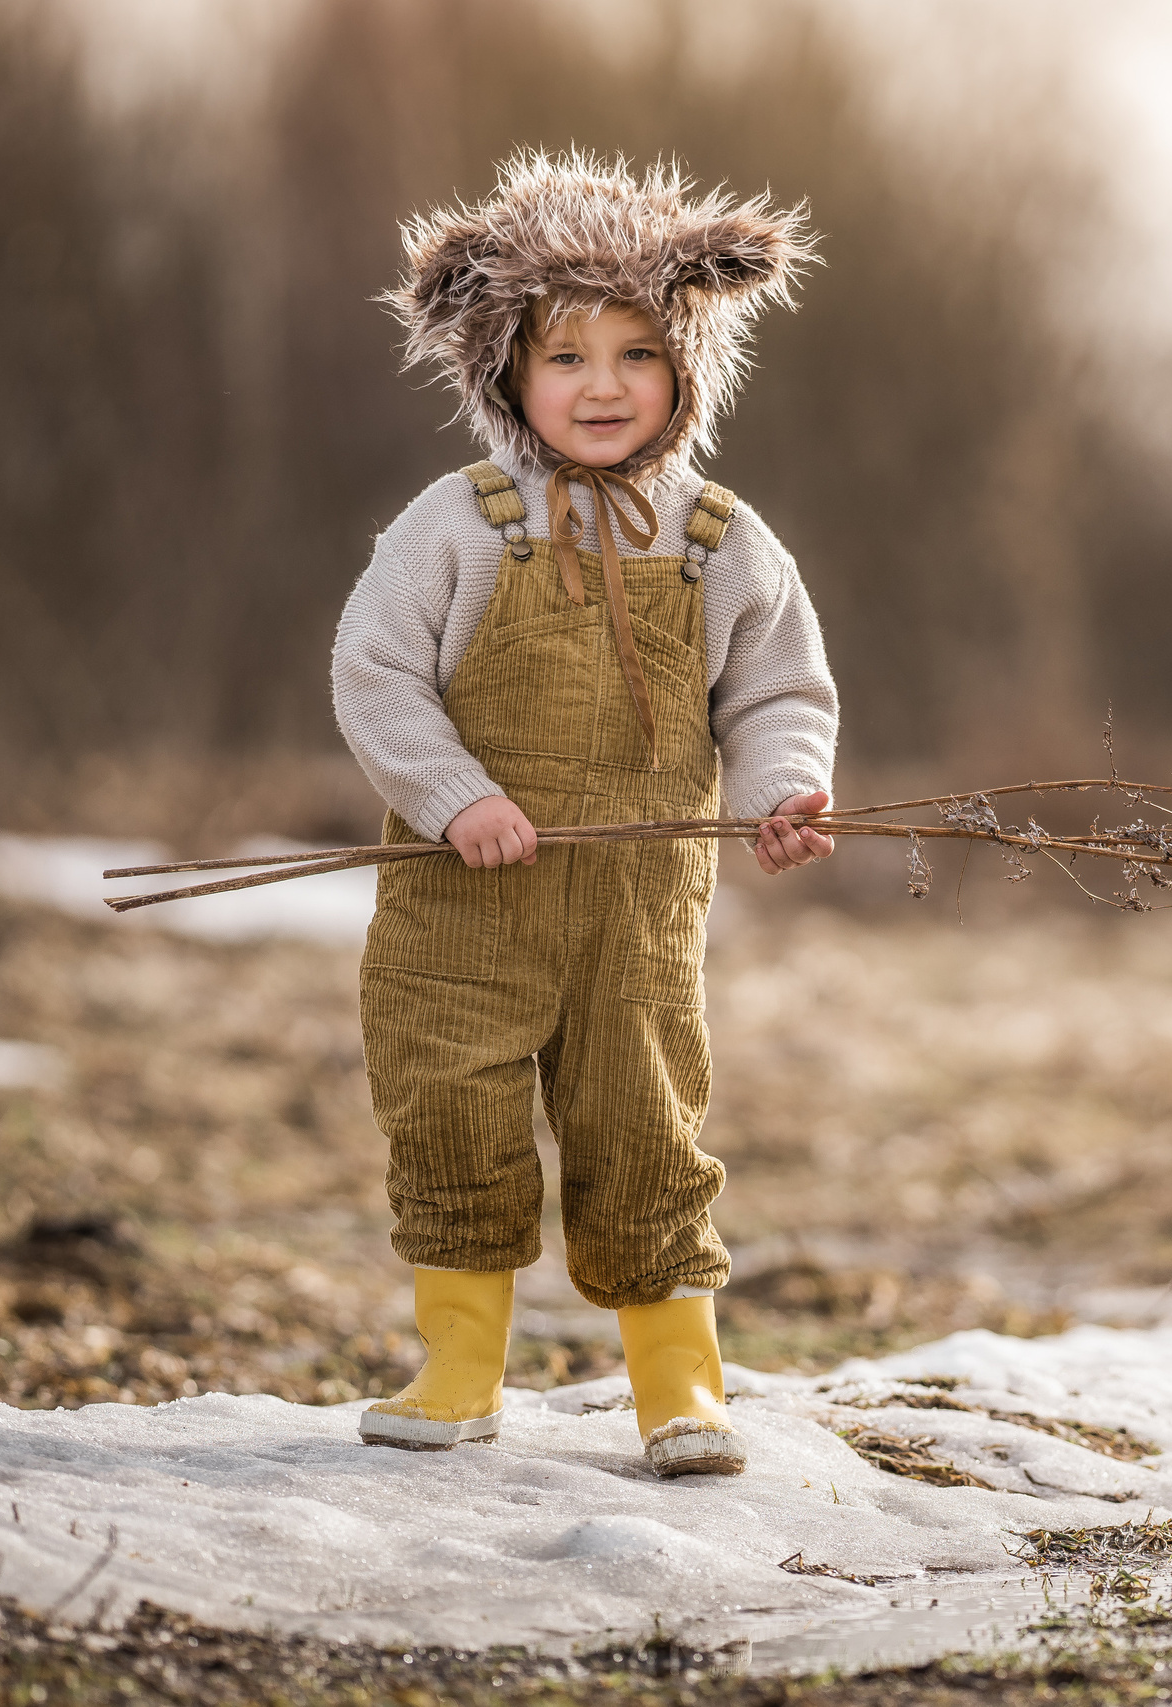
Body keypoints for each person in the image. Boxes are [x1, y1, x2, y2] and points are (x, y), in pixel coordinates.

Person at [329, 149, 834, 1477]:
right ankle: (457, 1370)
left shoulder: (721, 541)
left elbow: (778, 690)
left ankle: (681, 1388)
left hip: (636, 914)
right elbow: (375, 675)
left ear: (687, 369)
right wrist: (453, 798)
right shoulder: (459, 525)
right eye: (565, 357)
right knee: (451, 1116)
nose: (602, 386)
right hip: (462, 911)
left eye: (635, 354)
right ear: (503, 371)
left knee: (646, 1133)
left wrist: (785, 792)